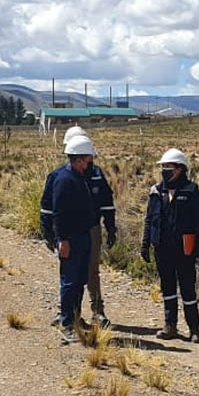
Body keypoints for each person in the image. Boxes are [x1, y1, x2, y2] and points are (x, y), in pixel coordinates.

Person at [42, 126, 117, 329]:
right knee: (70, 275)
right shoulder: (61, 177)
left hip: (90, 230)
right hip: (71, 232)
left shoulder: (93, 175)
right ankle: (68, 316)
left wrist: (110, 226)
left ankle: (94, 312)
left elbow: (106, 201)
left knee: (88, 272)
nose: (90, 162)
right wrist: (53, 234)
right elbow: (51, 209)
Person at [141, 148, 199, 343]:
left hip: (184, 249)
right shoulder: (156, 191)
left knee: (188, 289)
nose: (164, 170)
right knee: (167, 287)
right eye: (163, 167)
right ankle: (170, 326)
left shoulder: (191, 191)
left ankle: (194, 329)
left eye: (168, 167)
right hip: (162, 247)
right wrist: (145, 244)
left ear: (180, 169)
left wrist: (198, 248)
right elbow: (149, 219)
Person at [39, 135, 98, 344]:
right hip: (71, 238)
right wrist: (62, 239)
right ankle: (66, 324)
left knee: (79, 279)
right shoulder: (65, 180)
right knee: (70, 281)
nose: (91, 162)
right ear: (80, 159)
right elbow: (60, 213)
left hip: (82, 236)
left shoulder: (78, 176)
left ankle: (74, 318)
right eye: (89, 158)